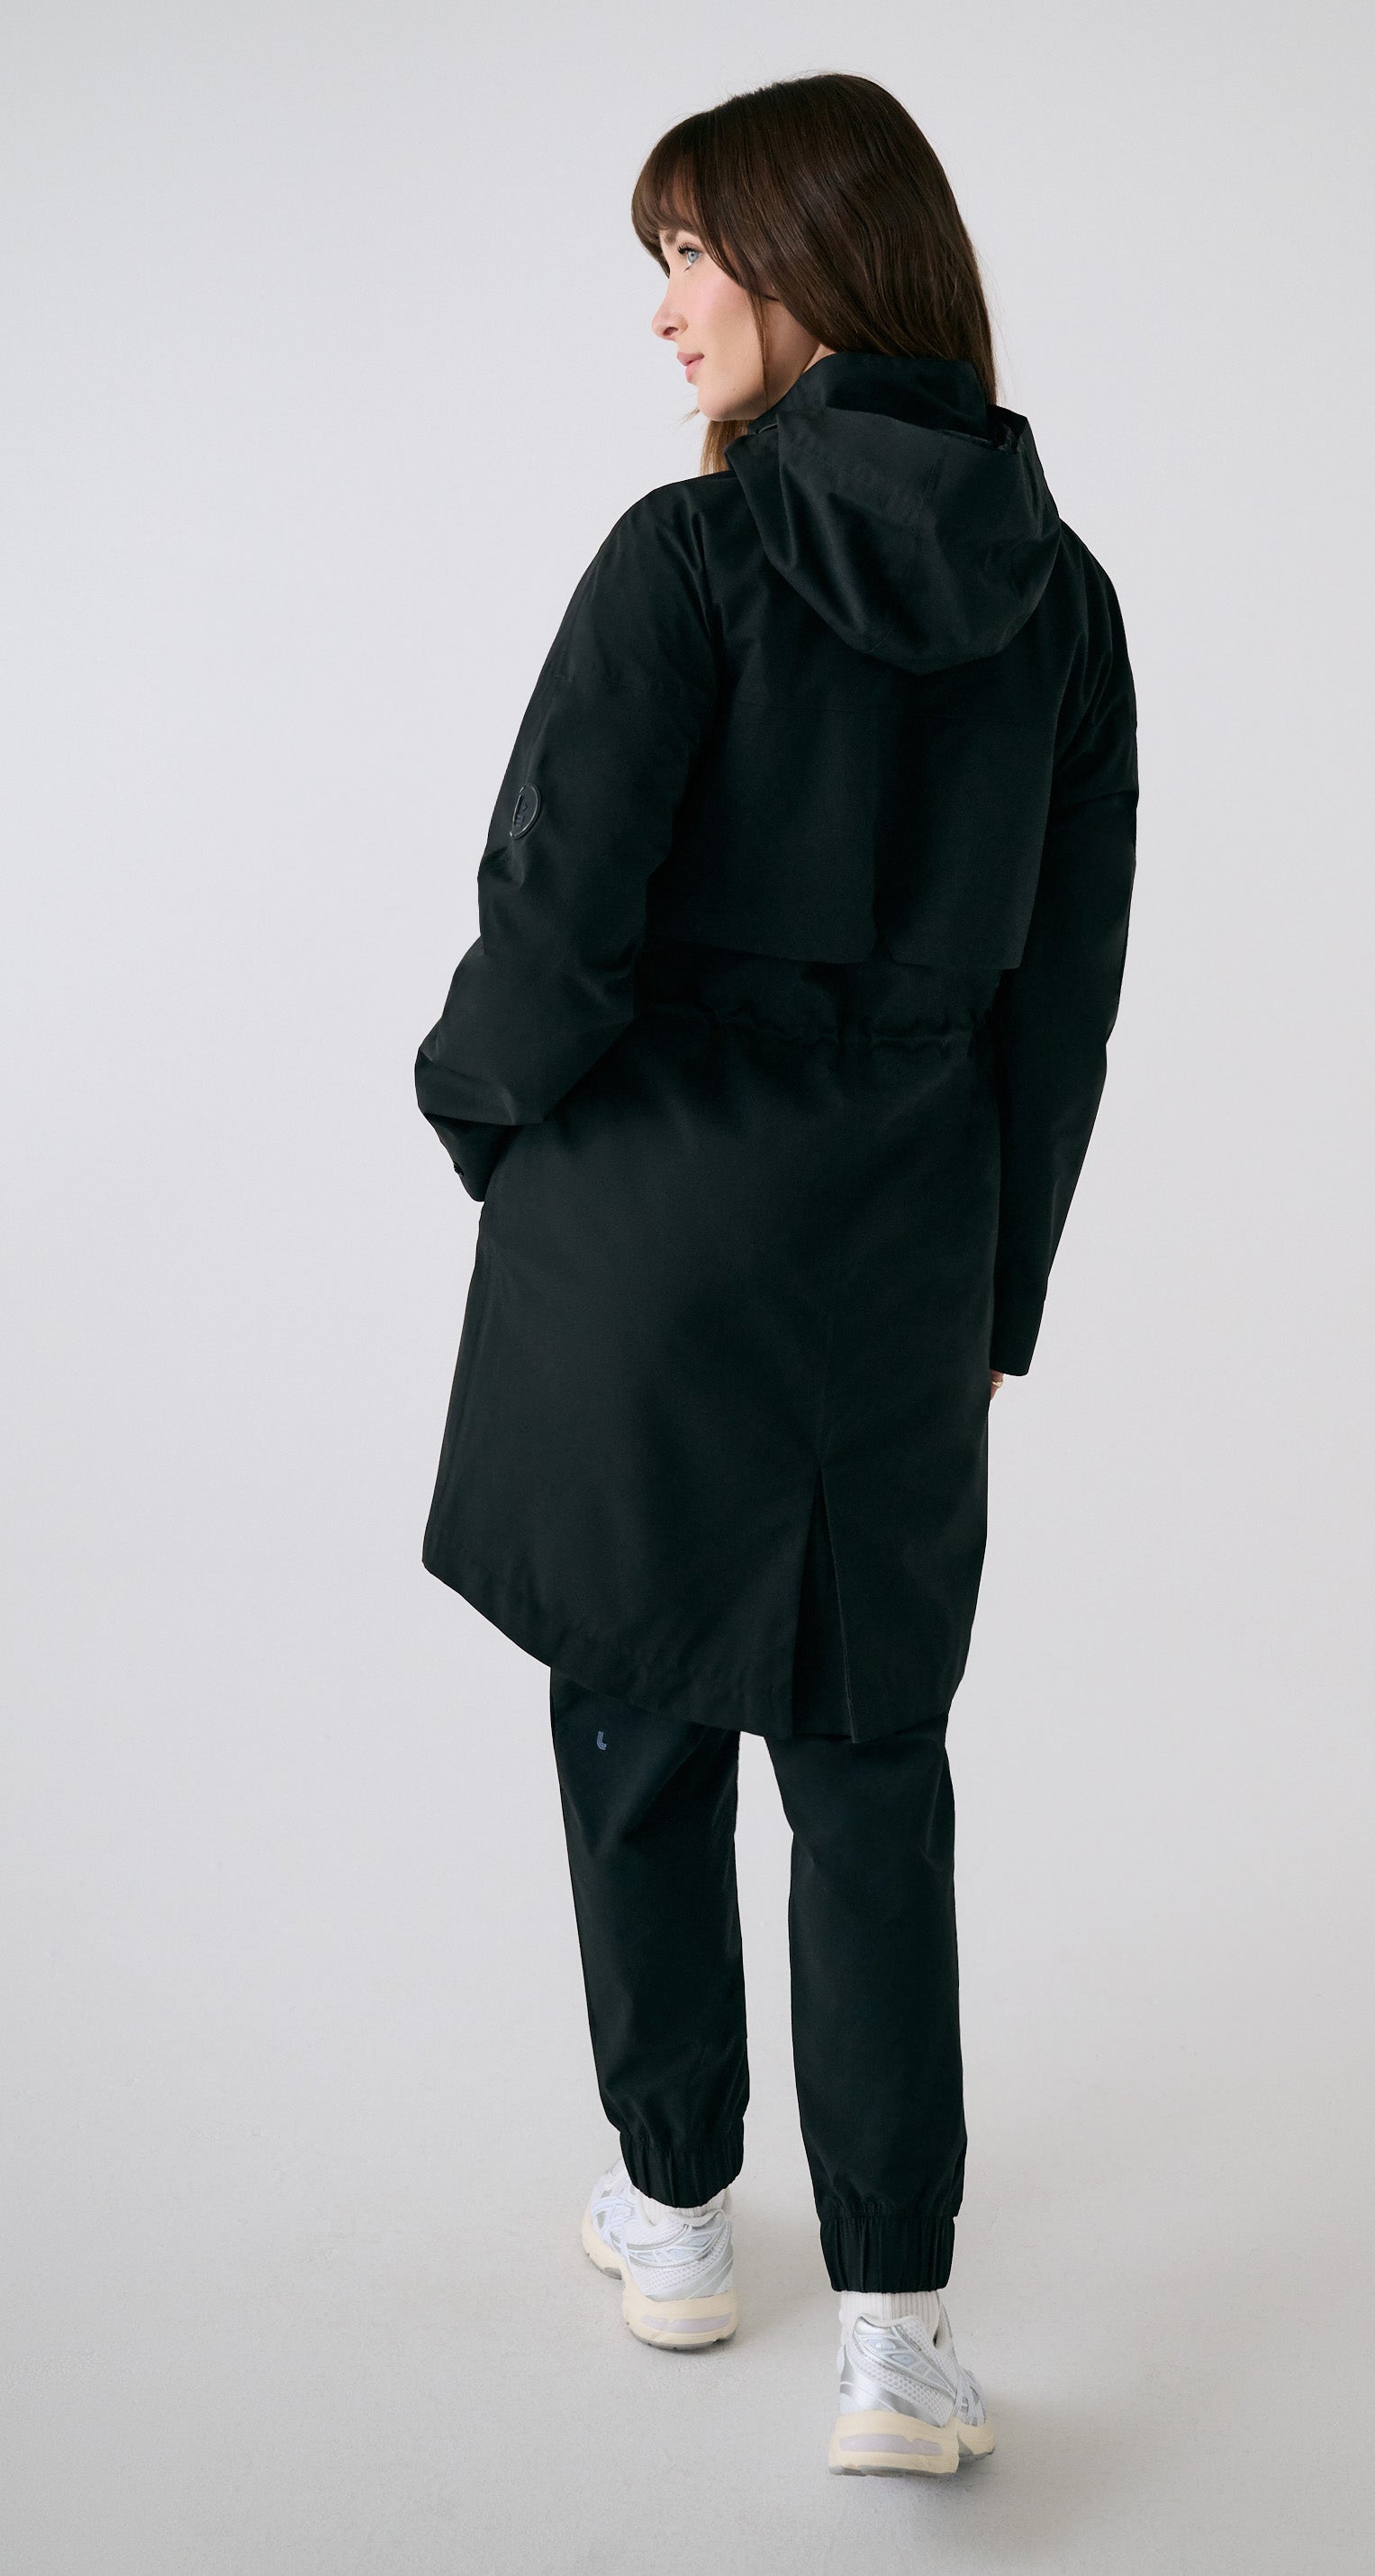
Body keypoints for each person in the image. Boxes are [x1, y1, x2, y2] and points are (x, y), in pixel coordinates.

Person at [413, 71, 1136, 2477]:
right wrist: (996, 1293)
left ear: (816, 261)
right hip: (900, 1245)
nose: (665, 307)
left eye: (694, 252)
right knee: (873, 1760)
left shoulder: (690, 562)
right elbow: (1065, 1003)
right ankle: (898, 2331)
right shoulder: (1065, 603)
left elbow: (550, 920)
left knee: (636, 1711)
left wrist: (485, 1123)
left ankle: (676, 2207)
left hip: (650, 1232)